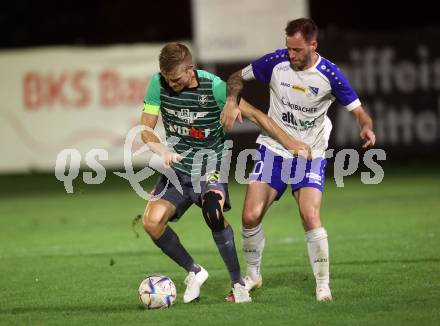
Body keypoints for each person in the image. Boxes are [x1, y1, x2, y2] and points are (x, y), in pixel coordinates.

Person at [221, 18, 376, 301]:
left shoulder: (330, 74)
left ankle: (322, 284)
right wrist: (232, 101)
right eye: (288, 48)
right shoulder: (276, 62)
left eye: (297, 50)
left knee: (309, 215)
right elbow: (235, 78)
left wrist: (365, 126)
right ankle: (253, 275)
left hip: (310, 153)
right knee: (250, 215)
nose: (290, 55)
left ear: (313, 45)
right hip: (274, 148)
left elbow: (359, 111)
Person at [140, 42, 308, 303]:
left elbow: (258, 116)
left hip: (210, 166)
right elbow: (146, 129)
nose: (169, 83)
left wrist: (291, 144)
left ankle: (238, 283)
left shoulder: (215, 88)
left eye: (175, 79)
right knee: (151, 222)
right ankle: (194, 272)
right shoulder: (157, 83)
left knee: (213, 212)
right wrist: (161, 150)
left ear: (190, 70)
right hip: (177, 170)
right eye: (165, 78)